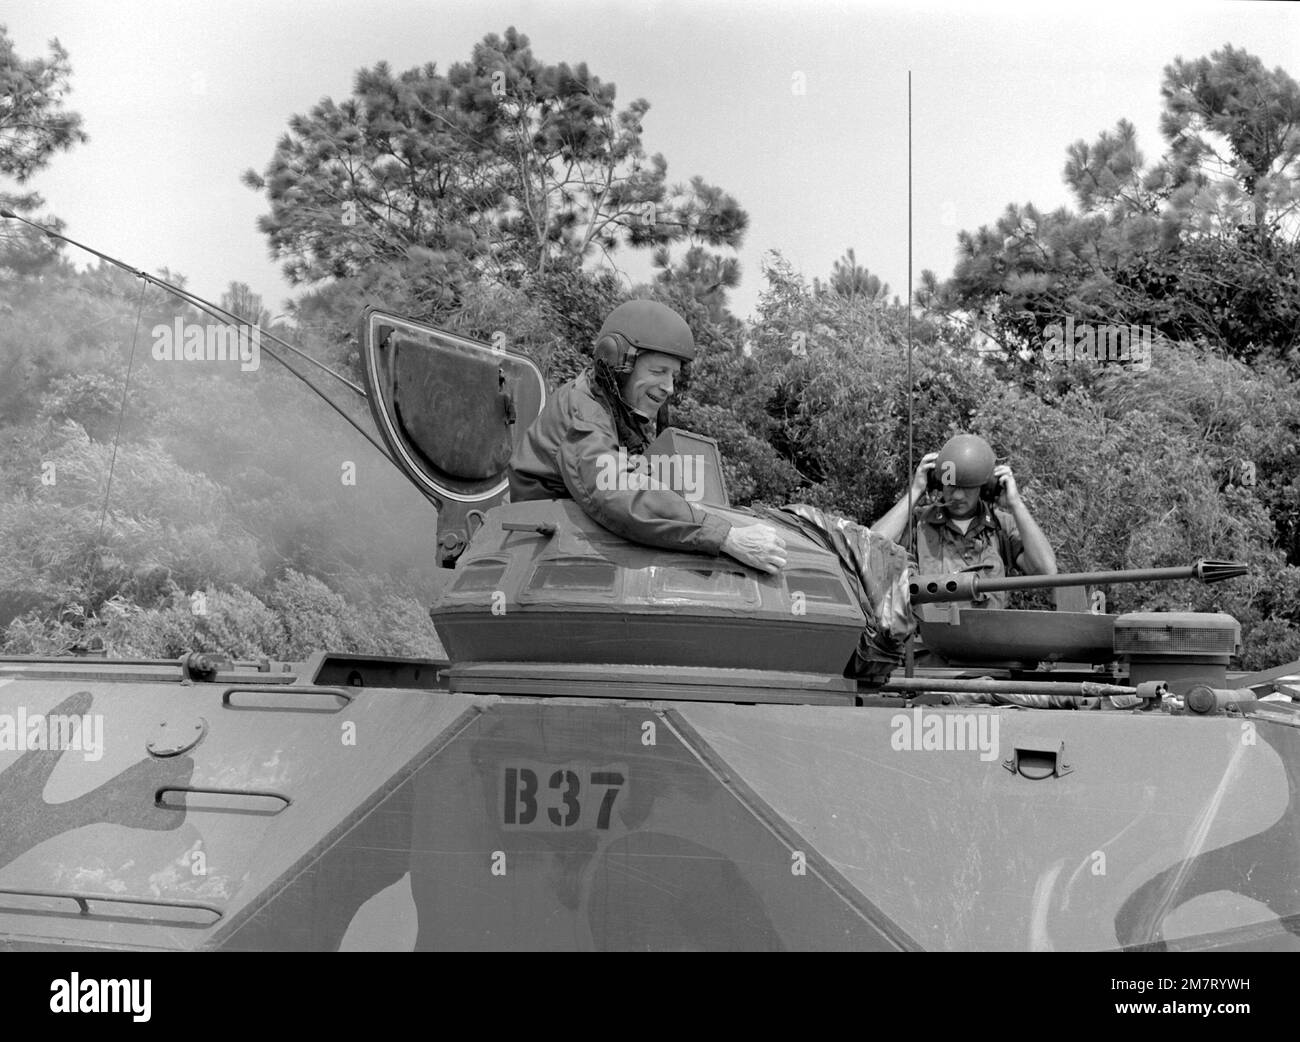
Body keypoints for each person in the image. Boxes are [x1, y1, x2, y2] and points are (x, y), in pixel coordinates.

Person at [508, 300, 787, 574]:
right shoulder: (584, 412)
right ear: (616, 362)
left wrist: (691, 510)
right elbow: (616, 492)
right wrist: (726, 537)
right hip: (543, 555)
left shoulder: (616, 411)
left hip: (569, 542)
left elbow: (639, 476)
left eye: (674, 376)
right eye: (658, 371)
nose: (669, 387)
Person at [872, 434, 1057, 617]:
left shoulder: (1001, 525)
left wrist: (1016, 504)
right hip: (930, 640)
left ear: (984, 488)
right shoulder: (919, 523)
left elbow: (1046, 571)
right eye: (951, 486)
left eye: (967, 488)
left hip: (988, 638)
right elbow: (869, 549)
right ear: (938, 483)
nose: (958, 496)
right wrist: (916, 490)